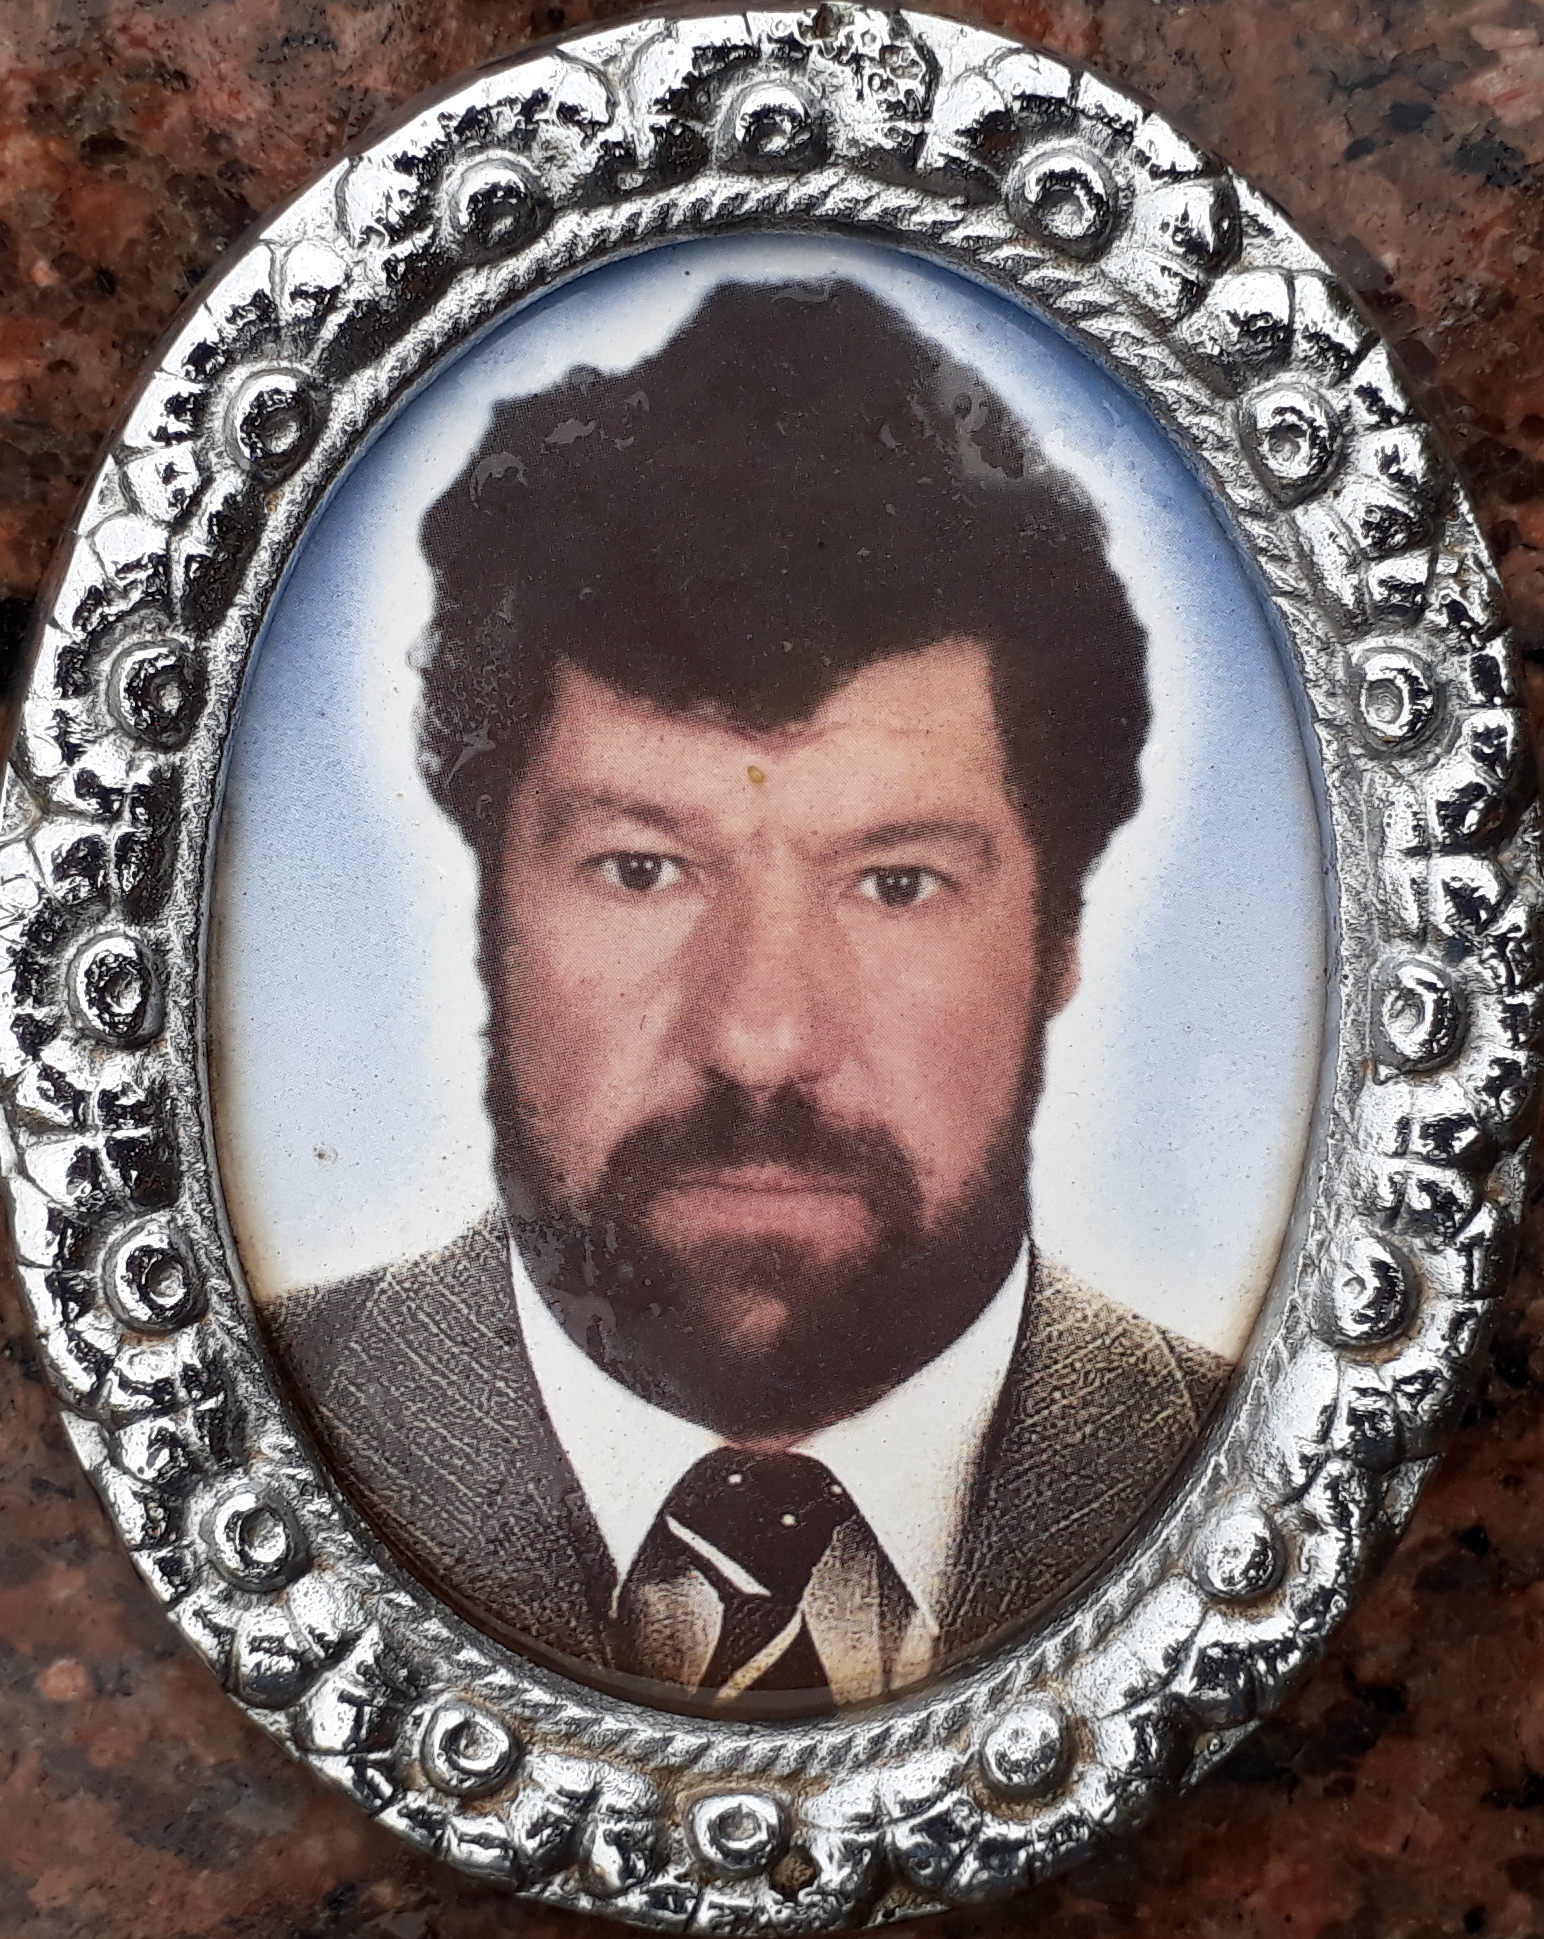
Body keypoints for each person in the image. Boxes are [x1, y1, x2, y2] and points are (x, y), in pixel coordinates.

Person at [269, 277, 1229, 1717]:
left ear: (1060, 938)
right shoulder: (234, 1416)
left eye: (895, 882)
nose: (761, 1040)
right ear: (489, 916)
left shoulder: (1266, 1460)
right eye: (641, 869)